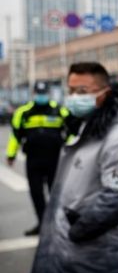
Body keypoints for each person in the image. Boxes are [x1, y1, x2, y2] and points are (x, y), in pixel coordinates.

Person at [26, 62, 118, 273]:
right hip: (73, 255)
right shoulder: (85, 127)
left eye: (82, 92)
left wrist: (76, 230)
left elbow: (117, 198)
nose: (74, 97)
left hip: (94, 258)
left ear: (104, 94)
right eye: (71, 90)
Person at [5, 81, 69, 236]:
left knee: (55, 193)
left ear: (48, 93)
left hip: (54, 159)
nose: (41, 96)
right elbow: (15, 136)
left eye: (44, 93)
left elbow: (71, 132)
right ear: (33, 94)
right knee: (36, 193)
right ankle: (42, 223)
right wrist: (11, 155)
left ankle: (55, 224)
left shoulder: (59, 111)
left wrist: (71, 151)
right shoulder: (23, 112)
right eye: (39, 93)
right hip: (33, 160)